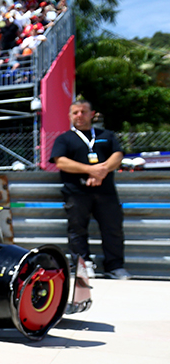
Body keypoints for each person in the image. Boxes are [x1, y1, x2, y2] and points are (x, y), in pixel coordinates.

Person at [50, 100, 129, 279]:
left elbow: (118, 155)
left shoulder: (106, 135)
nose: (80, 116)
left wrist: (102, 171)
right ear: (70, 116)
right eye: (76, 112)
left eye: (83, 112)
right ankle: (82, 266)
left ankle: (115, 267)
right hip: (76, 192)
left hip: (106, 192)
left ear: (91, 114)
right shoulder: (64, 139)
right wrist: (90, 169)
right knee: (77, 230)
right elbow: (60, 161)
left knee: (113, 229)